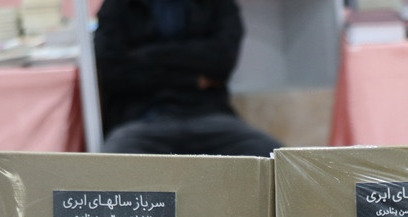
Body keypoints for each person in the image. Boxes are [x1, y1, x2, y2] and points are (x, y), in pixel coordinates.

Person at [93, 0, 281, 157]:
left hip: (209, 116)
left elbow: (222, 59)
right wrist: (192, 79)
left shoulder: (217, 4)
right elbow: (113, 71)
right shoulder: (118, 5)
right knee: (114, 165)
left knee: (277, 158)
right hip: (142, 121)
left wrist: (144, 56)